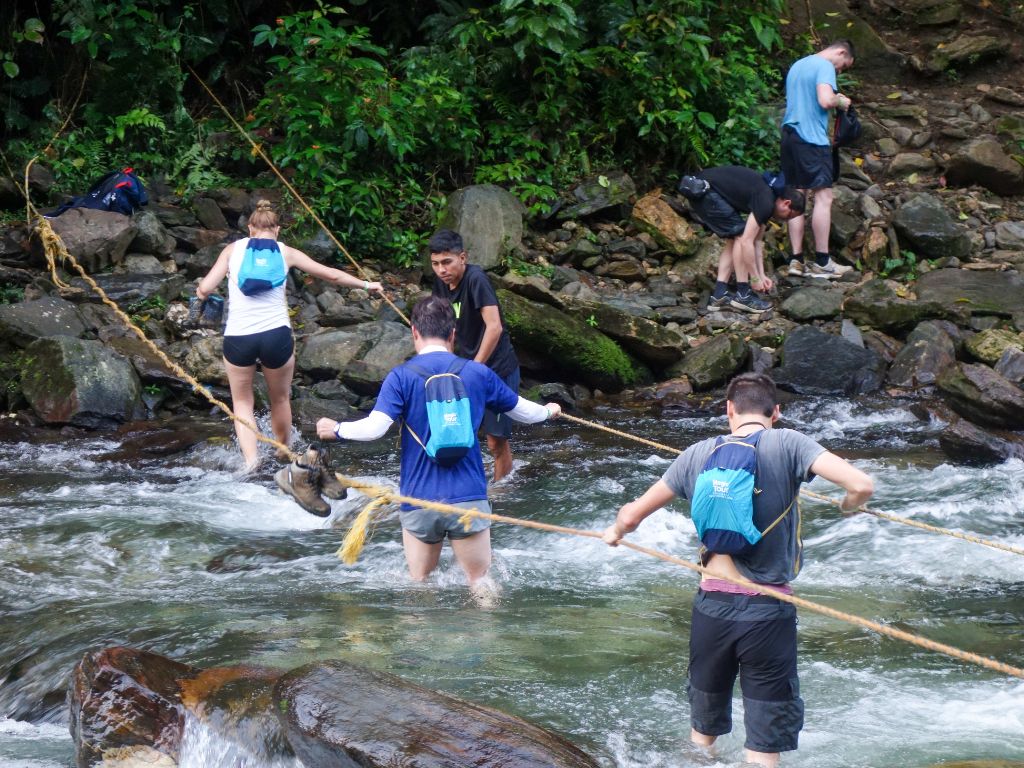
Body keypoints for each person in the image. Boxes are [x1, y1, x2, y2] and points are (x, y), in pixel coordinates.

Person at [602, 372, 874, 767]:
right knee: (763, 746)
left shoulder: (697, 454)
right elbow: (861, 485)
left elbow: (632, 515)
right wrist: (849, 506)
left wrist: (615, 531)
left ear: (728, 409)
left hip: (711, 608)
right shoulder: (790, 443)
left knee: (702, 736)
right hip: (767, 612)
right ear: (775, 412)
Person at [316, 296, 561, 593]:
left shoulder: (401, 377)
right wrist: (550, 411)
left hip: (420, 500)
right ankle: (488, 634)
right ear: (453, 334)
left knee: (419, 586)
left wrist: (337, 429)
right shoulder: (477, 373)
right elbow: (526, 412)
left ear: (414, 332)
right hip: (468, 499)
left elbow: (375, 429)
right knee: (480, 582)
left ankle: (418, 636)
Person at [195, 199, 384, 480]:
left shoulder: (232, 250)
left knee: (243, 402)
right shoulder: (286, 253)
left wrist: (201, 294)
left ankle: (251, 462)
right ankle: (283, 452)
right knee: (280, 398)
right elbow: (330, 275)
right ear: (278, 230)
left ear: (250, 228)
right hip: (276, 335)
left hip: (239, 336)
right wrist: (368, 284)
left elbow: (206, 288)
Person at [429, 229, 520, 482]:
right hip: (464, 367)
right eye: (435, 264)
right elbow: (444, 327)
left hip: (497, 369)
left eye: (447, 262)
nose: (441, 270)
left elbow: (494, 327)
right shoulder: (440, 283)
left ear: (463, 258)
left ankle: (502, 491)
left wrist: (474, 370)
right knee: (456, 434)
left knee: (495, 442)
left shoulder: (476, 279)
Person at [679, 167, 805, 315]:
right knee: (740, 236)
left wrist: (761, 275)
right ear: (786, 203)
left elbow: (757, 243)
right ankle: (743, 295)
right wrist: (755, 278)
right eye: (789, 216)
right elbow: (746, 241)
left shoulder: (767, 200)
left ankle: (719, 296)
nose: (786, 220)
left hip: (704, 189)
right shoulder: (766, 201)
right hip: (702, 190)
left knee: (735, 238)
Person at [781, 39, 856, 279]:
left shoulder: (798, 65)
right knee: (824, 196)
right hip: (811, 139)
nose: (839, 71)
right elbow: (825, 100)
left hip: (790, 136)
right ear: (841, 52)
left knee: (797, 195)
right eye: (843, 66)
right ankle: (823, 262)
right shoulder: (824, 65)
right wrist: (840, 101)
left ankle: (796, 260)